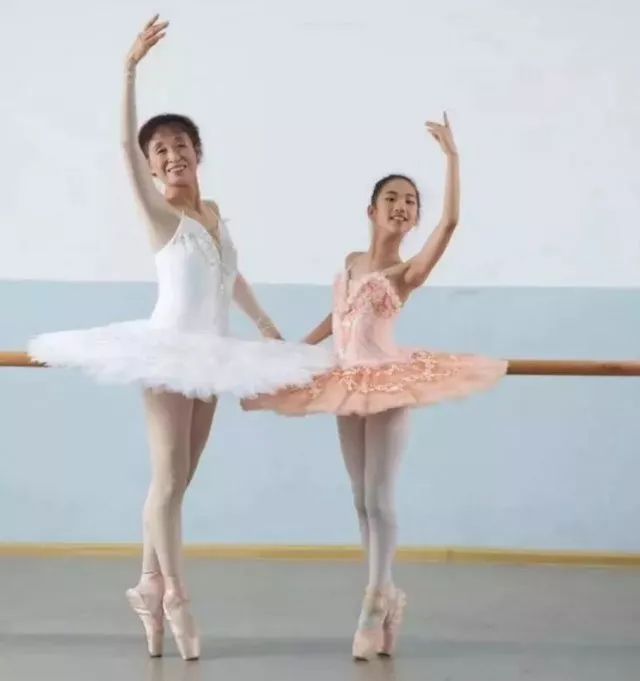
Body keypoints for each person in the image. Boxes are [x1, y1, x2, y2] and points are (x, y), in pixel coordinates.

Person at [28, 15, 331, 661]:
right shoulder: (159, 213)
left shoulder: (211, 213)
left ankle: (145, 582)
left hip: (214, 356)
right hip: (168, 352)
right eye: (160, 150)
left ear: (198, 152)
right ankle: (176, 597)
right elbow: (122, 147)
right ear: (150, 165)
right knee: (167, 482)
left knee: (178, 482)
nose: (172, 155)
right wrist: (128, 70)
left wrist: (263, 322)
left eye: (181, 145)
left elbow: (228, 271)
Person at [243, 113, 506, 660]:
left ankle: (373, 602)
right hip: (345, 380)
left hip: (385, 381)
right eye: (392, 197)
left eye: (411, 201)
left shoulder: (406, 274)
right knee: (360, 497)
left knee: (380, 495)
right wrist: (301, 348)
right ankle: (385, 592)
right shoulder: (351, 262)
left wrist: (452, 158)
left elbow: (451, 223)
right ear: (372, 210)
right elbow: (339, 314)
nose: (402, 206)